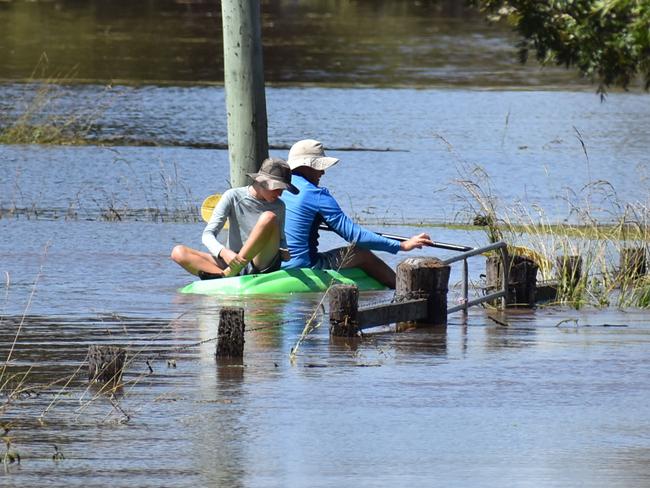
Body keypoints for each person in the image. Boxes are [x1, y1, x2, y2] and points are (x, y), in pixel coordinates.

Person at [281, 139, 433, 289]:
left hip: (276, 263)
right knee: (361, 253)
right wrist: (403, 245)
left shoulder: (277, 189)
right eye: (319, 167)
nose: (323, 172)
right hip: (304, 265)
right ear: (306, 166)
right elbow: (355, 236)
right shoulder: (315, 194)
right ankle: (405, 289)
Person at [171, 158, 298, 279]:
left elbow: (281, 239)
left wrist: (284, 251)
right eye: (277, 188)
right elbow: (207, 235)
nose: (280, 194)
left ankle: (228, 274)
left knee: (269, 217)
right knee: (178, 252)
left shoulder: (279, 205)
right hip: (232, 260)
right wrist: (223, 252)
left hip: (262, 263)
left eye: (283, 189)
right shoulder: (232, 196)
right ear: (261, 181)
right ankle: (224, 277)